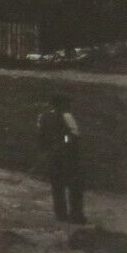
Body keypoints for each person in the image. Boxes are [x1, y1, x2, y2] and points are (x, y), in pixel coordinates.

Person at [37, 95, 87, 224]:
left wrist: (47, 150)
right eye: (66, 103)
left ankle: (61, 215)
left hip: (52, 155)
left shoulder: (43, 117)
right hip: (67, 155)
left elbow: (41, 136)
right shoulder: (66, 116)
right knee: (74, 185)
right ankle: (76, 215)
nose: (68, 105)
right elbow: (74, 135)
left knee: (57, 185)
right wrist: (63, 141)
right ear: (61, 104)